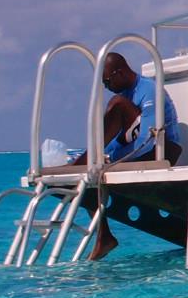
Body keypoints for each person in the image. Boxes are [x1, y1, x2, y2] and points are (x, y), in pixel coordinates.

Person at [72, 52, 182, 258]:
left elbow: (147, 141)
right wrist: (103, 158)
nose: (105, 86)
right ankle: (104, 237)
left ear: (119, 72)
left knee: (117, 104)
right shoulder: (125, 94)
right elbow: (118, 139)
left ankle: (86, 158)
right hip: (143, 148)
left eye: (107, 81)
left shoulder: (148, 90)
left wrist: (112, 160)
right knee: (89, 177)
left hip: (164, 149)